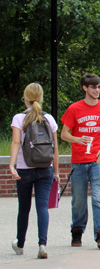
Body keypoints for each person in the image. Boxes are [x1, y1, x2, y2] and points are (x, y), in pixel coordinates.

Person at [60, 73, 100, 249]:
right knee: (79, 200)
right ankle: (77, 230)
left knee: (98, 198)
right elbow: (64, 134)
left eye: (99, 87)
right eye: (93, 87)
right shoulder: (74, 109)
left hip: (97, 160)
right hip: (79, 161)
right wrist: (77, 139)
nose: (97, 90)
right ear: (85, 88)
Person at [8, 83, 59, 259]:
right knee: (42, 207)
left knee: (24, 208)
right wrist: (57, 172)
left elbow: (15, 143)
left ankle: (20, 244)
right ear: (41, 97)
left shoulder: (19, 118)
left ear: (25, 97)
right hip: (46, 168)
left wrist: (12, 165)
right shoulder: (49, 119)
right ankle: (42, 245)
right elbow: (55, 149)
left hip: (24, 169)